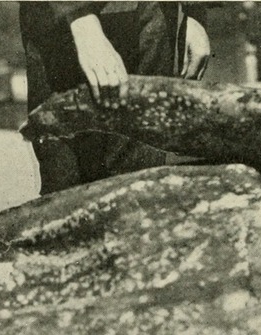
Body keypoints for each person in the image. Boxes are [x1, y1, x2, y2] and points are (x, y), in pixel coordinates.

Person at [19, 2, 211, 195]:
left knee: (140, 188)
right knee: (66, 192)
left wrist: (196, 12)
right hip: (62, 23)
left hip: (151, 17)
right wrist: (81, 21)